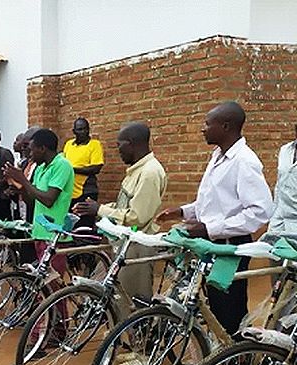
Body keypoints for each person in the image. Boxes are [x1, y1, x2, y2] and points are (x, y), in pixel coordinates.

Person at [156, 101, 273, 347]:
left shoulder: (244, 161)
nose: (203, 128)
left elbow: (260, 212)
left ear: (226, 126)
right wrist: (181, 212)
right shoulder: (218, 156)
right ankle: (221, 360)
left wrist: (210, 228)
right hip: (210, 244)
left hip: (230, 248)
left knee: (229, 311)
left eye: (208, 124)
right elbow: (210, 203)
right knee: (214, 307)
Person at [73, 121, 168, 302]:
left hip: (138, 247)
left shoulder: (149, 172)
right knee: (121, 301)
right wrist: (96, 208)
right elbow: (124, 207)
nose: (118, 150)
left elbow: (137, 217)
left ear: (131, 143)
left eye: (119, 145)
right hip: (126, 244)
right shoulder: (136, 170)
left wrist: (100, 209)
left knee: (134, 303)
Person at [3, 128, 74, 275]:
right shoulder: (41, 168)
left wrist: (23, 180)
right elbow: (32, 201)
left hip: (55, 235)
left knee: (55, 285)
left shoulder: (62, 165)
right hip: (40, 232)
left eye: (32, 149)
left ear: (42, 149)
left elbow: (49, 199)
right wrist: (21, 187)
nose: (29, 154)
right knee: (43, 286)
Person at [63, 117, 104, 228]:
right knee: (71, 224)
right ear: (74, 131)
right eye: (80, 129)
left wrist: (73, 169)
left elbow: (96, 168)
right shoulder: (68, 144)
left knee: (85, 224)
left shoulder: (94, 144)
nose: (83, 132)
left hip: (87, 190)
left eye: (85, 129)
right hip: (70, 191)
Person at [262, 124, 297, 243]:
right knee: (273, 256)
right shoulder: (286, 150)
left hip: (295, 219)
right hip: (279, 218)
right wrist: (274, 213)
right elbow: (279, 184)